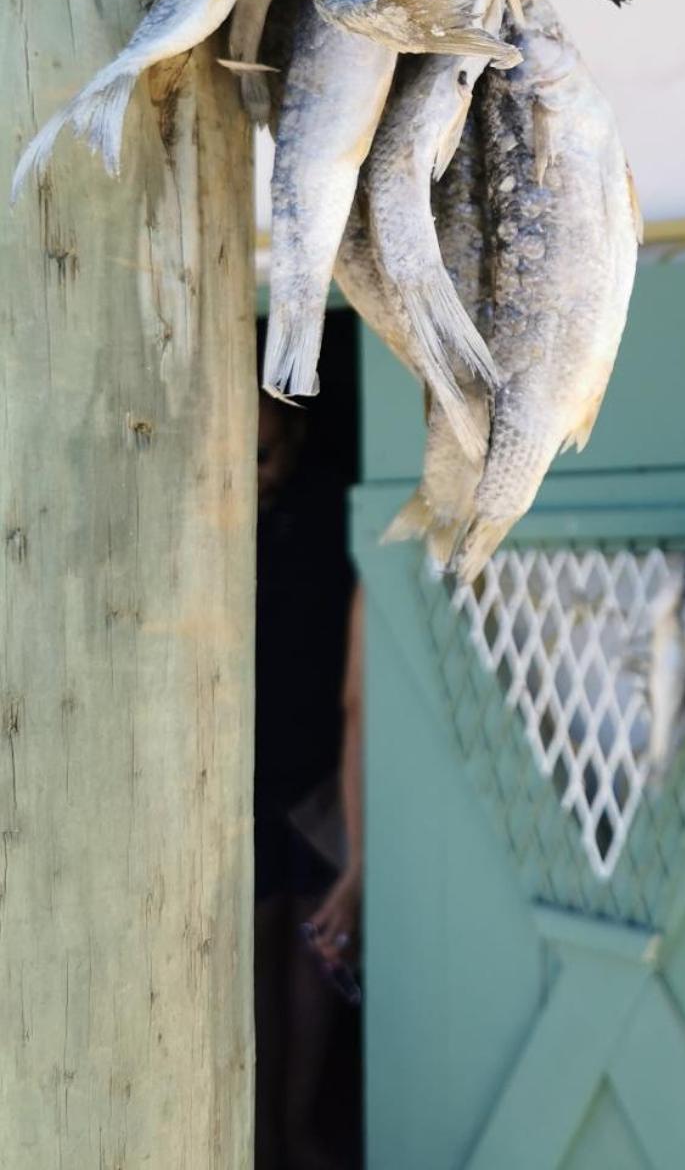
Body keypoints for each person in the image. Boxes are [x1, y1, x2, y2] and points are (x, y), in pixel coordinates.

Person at [254, 391, 363, 1170]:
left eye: (264, 452)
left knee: (317, 957)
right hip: (240, 778)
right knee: (250, 965)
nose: (253, 472)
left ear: (294, 435)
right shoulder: (209, 509)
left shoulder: (328, 511)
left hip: (322, 770)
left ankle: (294, 1127)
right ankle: (254, 1135)